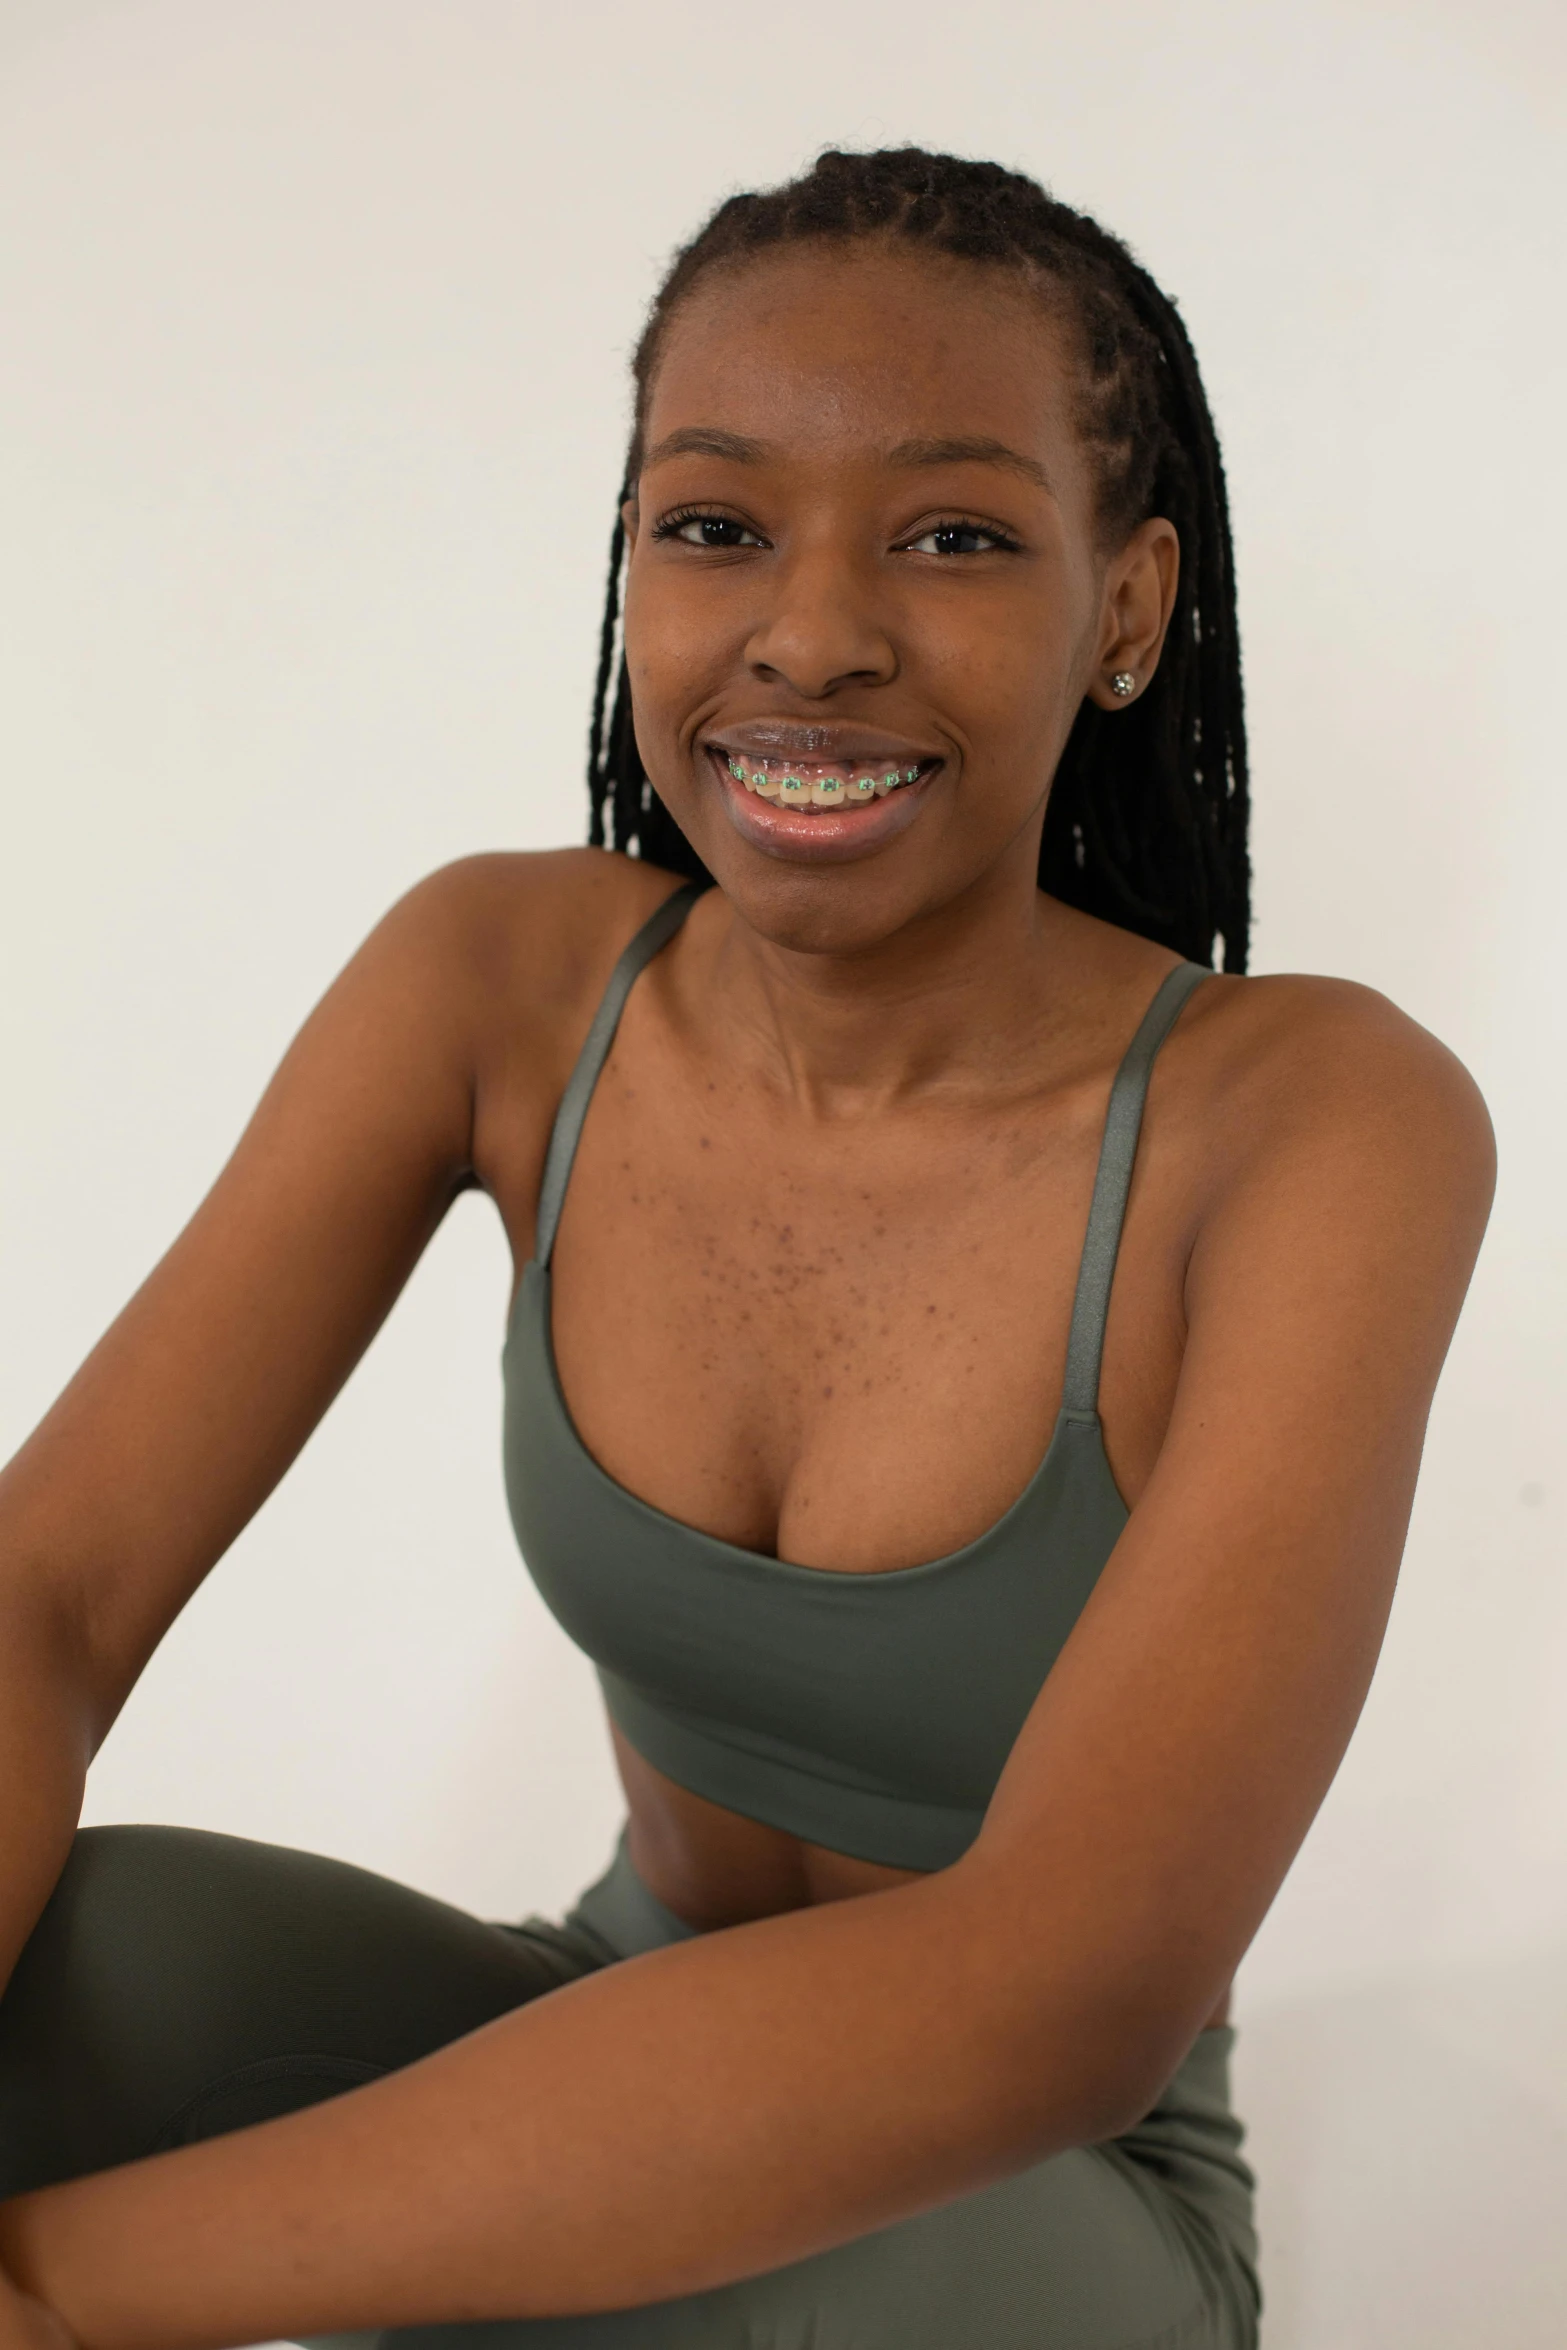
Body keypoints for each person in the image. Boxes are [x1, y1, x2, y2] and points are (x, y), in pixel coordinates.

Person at [0, 148, 1493, 2350]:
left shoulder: (1315, 1123)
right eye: (714, 523)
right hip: (599, 1995)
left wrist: (48, 2284)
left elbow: (1054, 1992)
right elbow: (54, 1593)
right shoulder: (498, 984)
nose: (811, 629)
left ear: (1129, 606)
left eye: (957, 534)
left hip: (1032, 2184)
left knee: (677, 2306)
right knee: (75, 1974)